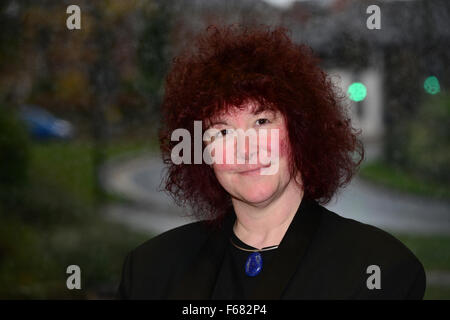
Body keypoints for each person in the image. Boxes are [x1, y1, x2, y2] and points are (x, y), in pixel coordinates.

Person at [117, 25, 426, 299]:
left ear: (300, 131)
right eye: (222, 131)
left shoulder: (379, 270)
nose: (245, 150)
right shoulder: (149, 272)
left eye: (262, 121)